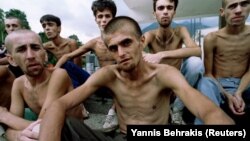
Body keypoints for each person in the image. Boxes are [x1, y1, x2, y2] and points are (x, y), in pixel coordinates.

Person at [39, 16, 234, 141]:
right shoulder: (109, 75)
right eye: (114, 48)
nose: (121, 53)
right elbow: (59, 105)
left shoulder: (163, 74)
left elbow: (207, 110)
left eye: (126, 43)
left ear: (141, 42)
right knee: (64, 124)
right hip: (122, 136)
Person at [1, 29, 87, 141]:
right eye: (21, 50)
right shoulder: (19, 84)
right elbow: (10, 129)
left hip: (73, 135)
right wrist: (17, 135)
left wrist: (4, 116)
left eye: (35, 48)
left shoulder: (59, 75)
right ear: (11, 60)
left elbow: (42, 128)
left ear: (45, 55)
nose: (30, 56)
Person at [55, 0, 118, 132]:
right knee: (67, 65)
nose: (104, 20)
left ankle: (112, 113)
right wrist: (54, 73)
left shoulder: (121, 40)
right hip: (100, 83)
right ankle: (80, 104)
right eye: (100, 16)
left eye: (107, 16)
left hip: (118, 83)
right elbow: (66, 56)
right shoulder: (94, 42)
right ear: (95, 19)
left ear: (113, 19)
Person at [142, 0, 204, 124]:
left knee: (196, 63)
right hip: (157, 83)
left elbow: (197, 51)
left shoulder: (181, 30)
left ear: (174, 12)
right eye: (161, 8)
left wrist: (161, 55)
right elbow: (134, 51)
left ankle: (177, 109)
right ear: (155, 13)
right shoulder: (150, 35)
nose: (165, 11)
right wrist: (147, 55)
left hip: (178, 84)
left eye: (169, 8)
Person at [194, 0, 250, 125]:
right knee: (204, 82)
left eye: (244, 4)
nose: (239, 10)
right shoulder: (212, 38)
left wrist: (239, 92)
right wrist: (227, 95)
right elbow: (208, 74)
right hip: (218, 84)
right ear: (222, 12)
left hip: (245, 83)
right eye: (233, 6)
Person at [40, 14, 90, 88]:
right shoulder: (46, 46)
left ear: (59, 28)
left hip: (78, 76)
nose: (47, 28)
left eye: (50, 25)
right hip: (63, 75)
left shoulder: (71, 43)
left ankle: (75, 92)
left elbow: (78, 66)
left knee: (66, 63)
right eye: (44, 26)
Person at [0, 16, 25, 140]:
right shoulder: (3, 48)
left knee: (3, 71)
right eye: (8, 26)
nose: (11, 28)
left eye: (14, 25)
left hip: (22, 92)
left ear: (22, 28)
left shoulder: (28, 44)